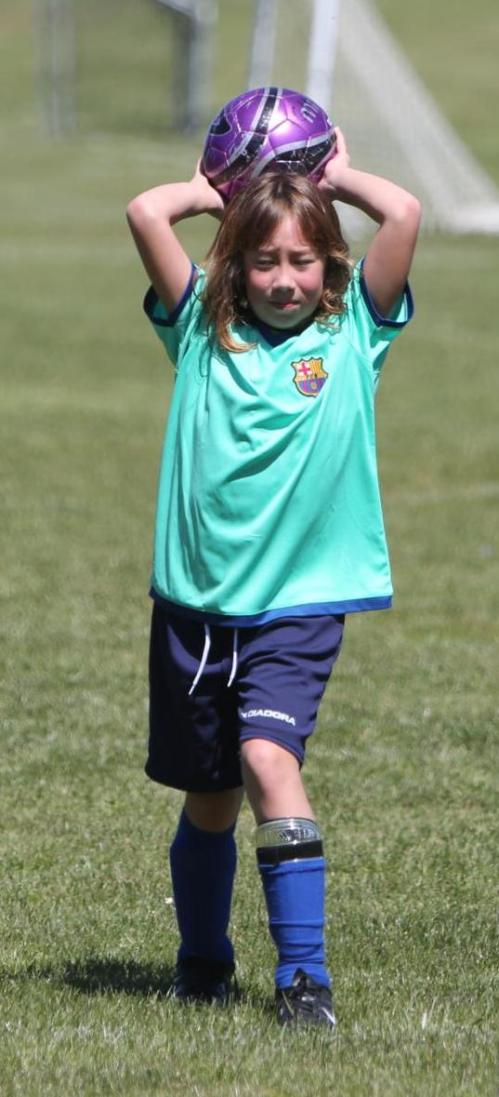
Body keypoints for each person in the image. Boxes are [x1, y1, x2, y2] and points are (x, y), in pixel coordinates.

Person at [126, 127, 421, 1028]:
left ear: (329, 266)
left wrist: (331, 178)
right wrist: (219, 191)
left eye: (301, 260)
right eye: (262, 262)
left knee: (265, 759)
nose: (283, 278)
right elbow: (145, 211)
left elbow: (402, 212)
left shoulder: (350, 333)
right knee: (209, 795)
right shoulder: (199, 331)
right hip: (196, 604)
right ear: (232, 267)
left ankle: (304, 980)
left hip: (296, 603)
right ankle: (204, 963)